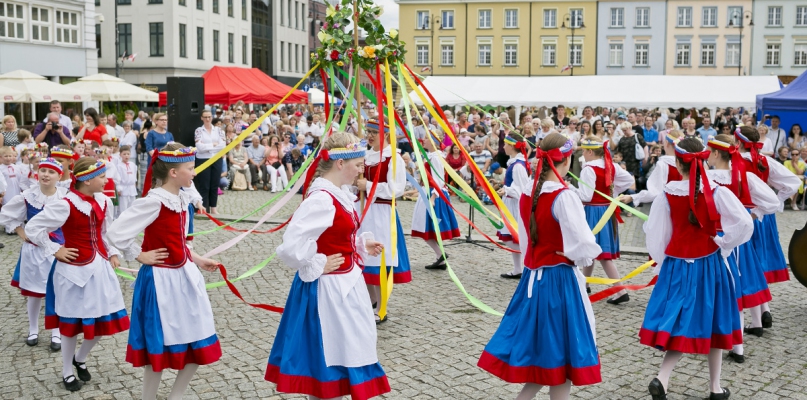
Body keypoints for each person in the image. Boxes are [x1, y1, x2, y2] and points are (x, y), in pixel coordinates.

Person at [265, 131, 390, 399]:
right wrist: (317, 264)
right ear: (340, 163)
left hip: (344, 284)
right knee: (328, 362)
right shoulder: (322, 198)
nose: (361, 170)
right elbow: (291, 246)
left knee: (346, 354)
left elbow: (334, 234)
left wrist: (357, 245)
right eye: (358, 164)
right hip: (328, 290)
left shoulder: (339, 193)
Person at [479, 133, 601, 399]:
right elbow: (584, 244)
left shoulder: (527, 193)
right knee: (561, 361)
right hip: (559, 283)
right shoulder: (564, 196)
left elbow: (525, 240)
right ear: (566, 161)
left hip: (532, 280)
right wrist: (572, 256)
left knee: (546, 360)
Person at [640, 137, 751, 400]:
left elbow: (655, 235)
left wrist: (664, 261)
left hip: (677, 265)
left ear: (677, 163)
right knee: (716, 322)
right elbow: (745, 224)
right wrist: (724, 243)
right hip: (710, 265)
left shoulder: (667, 193)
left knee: (679, 322)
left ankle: (663, 378)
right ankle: (714, 387)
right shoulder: (718, 191)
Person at [108, 145, 221, 400]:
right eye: (190, 169)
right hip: (160, 281)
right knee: (156, 343)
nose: (194, 173)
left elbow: (178, 242)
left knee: (199, 335)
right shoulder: (154, 201)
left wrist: (199, 259)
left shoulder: (181, 199)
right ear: (173, 172)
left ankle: (176, 395)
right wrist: (139, 254)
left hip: (184, 277)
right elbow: (116, 232)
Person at [26, 157, 129, 392]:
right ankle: (67, 370)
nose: (106, 181)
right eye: (102, 177)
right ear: (87, 179)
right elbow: (33, 227)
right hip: (72, 273)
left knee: (104, 322)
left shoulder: (104, 201)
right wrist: (55, 249)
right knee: (71, 325)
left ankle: (80, 358)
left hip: (100, 270)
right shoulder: (65, 204)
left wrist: (112, 252)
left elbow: (106, 232)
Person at [705, 135, 779, 362]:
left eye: (709, 151)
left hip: (711, 241)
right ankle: (737, 348)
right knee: (735, 291)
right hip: (737, 240)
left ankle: (715, 338)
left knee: (714, 291)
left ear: (717, 154)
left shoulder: (705, 178)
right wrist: (752, 213)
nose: (707, 155)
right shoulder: (743, 177)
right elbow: (773, 202)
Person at [735, 126, 800, 329]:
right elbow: (793, 182)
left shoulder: (733, 163)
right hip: (764, 216)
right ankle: (764, 311)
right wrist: (777, 202)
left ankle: (758, 315)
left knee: (748, 264)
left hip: (743, 214)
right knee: (759, 261)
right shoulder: (765, 161)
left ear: (738, 143)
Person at [2, 158, 62, 350]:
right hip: (34, 252)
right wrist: (22, 232)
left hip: (57, 251)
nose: (46, 174)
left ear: (59, 176)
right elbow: (7, 215)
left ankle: (56, 331)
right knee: (34, 293)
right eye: (43, 170)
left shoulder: (65, 197)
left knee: (58, 292)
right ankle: (33, 329)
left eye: (51, 172)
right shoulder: (28, 196)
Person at [355, 119, 410, 324]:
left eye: (374, 132)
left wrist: (367, 185)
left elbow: (396, 189)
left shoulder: (394, 158)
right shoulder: (366, 156)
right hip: (363, 211)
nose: (369, 136)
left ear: (385, 134)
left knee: (379, 260)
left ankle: (382, 307)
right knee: (363, 256)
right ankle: (370, 300)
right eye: (368, 131)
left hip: (381, 212)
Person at [573, 136, 635, 303]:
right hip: (607, 210)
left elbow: (585, 196)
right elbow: (629, 180)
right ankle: (584, 285)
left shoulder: (588, 169)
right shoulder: (611, 165)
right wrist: (612, 194)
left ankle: (621, 290)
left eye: (584, 151)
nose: (583, 154)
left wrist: (570, 189)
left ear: (590, 151)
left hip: (594, 212)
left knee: (601, 253)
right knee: (591, 250)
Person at [412, 132, 460, 267]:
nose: (424, 140)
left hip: (434, 195)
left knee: (427, 229)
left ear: (433, 140)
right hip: (428, 193)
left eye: (426, 138)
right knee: (428, 229)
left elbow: (439, 180)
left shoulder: (436, 158)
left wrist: (433, 197)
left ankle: (441, 254)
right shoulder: (431, 156)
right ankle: (440, 257)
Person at [496, 134, 531, 279]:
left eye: (505, 144)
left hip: (515, 206)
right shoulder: (515, 163)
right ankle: (518, 269)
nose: (503, 147)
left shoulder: (517, 166)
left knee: (513, 238)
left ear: (511, 146)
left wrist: (507, 190)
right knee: (511, 237)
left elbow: (523, 190)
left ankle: (526, 264)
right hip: (510, 203)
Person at [193, 110, 225, 212]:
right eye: (205, 117)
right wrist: (213, 145)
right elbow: (199, 147)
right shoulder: (198, 131)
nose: (207, 119)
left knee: (215, 184)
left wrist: (208, 147)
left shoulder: (219, 130)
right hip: (203, 159)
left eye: (209, 117)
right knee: (204, 185)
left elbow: (222, 146)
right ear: (201, 118)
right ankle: (203, 208)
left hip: (216, 158)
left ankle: (213, 208)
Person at [114, 145, 137, 214]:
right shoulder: (119, 166)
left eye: (128, 154)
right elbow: (117, 178)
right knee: (123, 208)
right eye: (124, 154)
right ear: (120, 155)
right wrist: (118, 188)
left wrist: (134, 184)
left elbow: (134, 176)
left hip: (131, 188)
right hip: (123, 188)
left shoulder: (133, 165)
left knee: (132, 206)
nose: (126, 156)